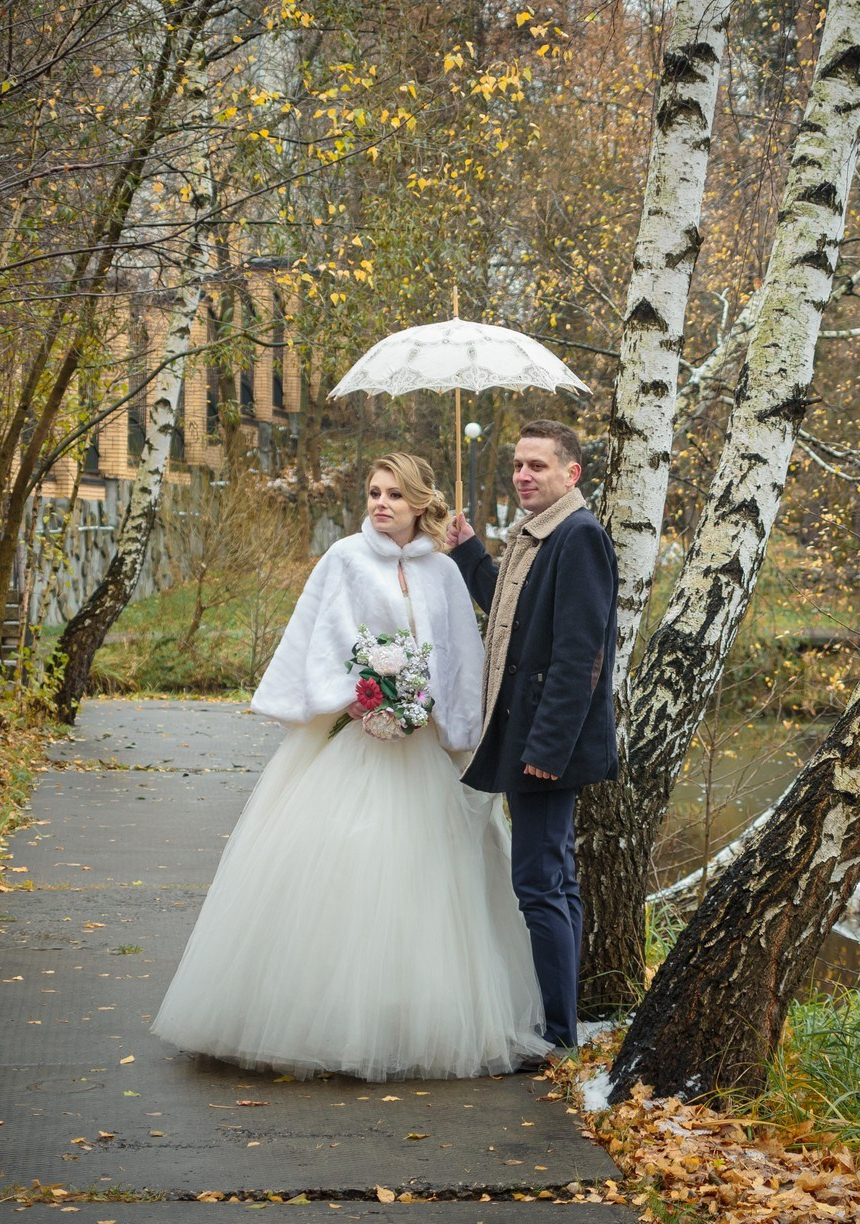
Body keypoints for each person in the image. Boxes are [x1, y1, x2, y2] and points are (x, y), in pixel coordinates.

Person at [150, 453, 547, 1080]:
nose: (380, 504)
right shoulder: (344, 559)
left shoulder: (444, 573)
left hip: (422, 750)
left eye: (394, 494)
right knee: (344, 863)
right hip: (356, 738)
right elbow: (323, 638)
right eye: (373, 492)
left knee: (429, 881)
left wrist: (444, 717)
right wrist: (364, 696)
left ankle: (410, 1017)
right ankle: (319, 1018)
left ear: (420, 503)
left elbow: (460, 655)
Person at [446, 420, 619, 1062]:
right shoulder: (534, 537)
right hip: (532, 738)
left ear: (571, 474)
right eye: (519, 464)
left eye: (538, 466)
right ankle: (563, 1025)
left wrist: (545, 752)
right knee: (557, 881)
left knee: (539, 884)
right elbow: (513, 622)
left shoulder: (579, 538)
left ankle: (557, 1035)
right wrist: (470, 553)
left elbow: (580, 657)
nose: (523, 475)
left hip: (548, 747)